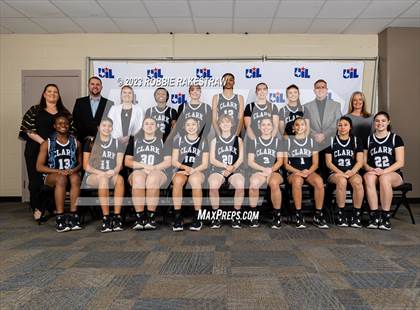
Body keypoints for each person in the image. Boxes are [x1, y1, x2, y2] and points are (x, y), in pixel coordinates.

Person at [19, 84, 74, 222]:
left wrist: (56, 146)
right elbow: (27, 129)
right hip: (35, 149)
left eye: (55, 92)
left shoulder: (65, 112)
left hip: (58, 152)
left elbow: (71, 131)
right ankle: (37, 208)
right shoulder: (35, 110)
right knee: (36, 181)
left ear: (58, 95)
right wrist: (46, 143)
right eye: (49, 91)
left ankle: (52, 206)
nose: (52, 94)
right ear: (44, 94)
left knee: (54, 179)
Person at [36, 114, 82, 232]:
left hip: (70, 174)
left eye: (66, 123)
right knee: (61, 179)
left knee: (76, 178)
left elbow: (81, 164)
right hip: (52, 177)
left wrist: (74, 170)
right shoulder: (48, 143)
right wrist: (58, 171)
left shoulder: (76, 142)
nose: (63, 125)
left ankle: (73, 215)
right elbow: (39, 167)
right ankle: (60, 217)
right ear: (55, 126)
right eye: (60, 123)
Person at [125, 117, 172, 230]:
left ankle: (151, 217)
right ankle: (139, 217)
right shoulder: (135, 140)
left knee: (152, 179)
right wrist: (144, 166)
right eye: (146, 124)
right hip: (139, 170)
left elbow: (168, 161)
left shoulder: (163, 139)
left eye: (152, 124)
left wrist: (154, 168)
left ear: (156, 127)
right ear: (142, 126)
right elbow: (127, 161)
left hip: (158, 171)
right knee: (138, 179)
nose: (149, 126)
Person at [82, 117, 125, 233]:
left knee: (120, 179)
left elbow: (119, 165)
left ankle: (117, 216)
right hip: (94, 175)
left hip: (110, 174)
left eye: (109, 126)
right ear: (98, 128)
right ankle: (106, 218)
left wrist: (114, 171)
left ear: (112, 128)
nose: (106, 128)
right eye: (104, 125)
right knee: (103, 180)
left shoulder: (117, 143)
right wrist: (101, 173)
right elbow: (86, 166)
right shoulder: (90, 142)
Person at [364, 111, 404, 231]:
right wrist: (371, 169)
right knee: (368, 177)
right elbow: (363, 163)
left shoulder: (395, 138)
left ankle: (385, 216)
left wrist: (384, 171)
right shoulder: (368, 139)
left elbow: (400, 162)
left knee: (384, 178)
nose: (380, 123)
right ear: (374, 123)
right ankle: (374, 215)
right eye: (377, 121)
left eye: (383, 121)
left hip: (393, 174)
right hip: (375, 172)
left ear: (388, 122)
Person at [284, 117, 327, 229]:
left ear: (306, 127)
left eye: (302, 124)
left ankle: (318, 214)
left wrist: (307, 172)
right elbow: (285, 165)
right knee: (297, 181)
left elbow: (315, 163)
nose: (300, 127)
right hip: (294, 172)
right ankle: (299, 214)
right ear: (293, 128)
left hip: (309, 171)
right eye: (297, 125)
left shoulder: (312, 141)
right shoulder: (288, 141)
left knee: (319, 181)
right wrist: (298, 172)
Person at [172, 118, 209, 232]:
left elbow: (205, 164)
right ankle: (178, 216)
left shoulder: (203, 141)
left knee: (195, 181)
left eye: (193, 124)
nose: (191, 127)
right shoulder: (178, 141)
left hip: (198, 171)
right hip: (182, 171)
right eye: (188, 124)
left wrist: (193, 170)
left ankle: (198, 216)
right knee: (177, 181)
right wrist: (185, 168)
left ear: (198, 126)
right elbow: (174, 161)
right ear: (184, 127)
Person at [325, 116, 364, 228]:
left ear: (350, 127)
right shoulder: (331, 140)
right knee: (341, 181)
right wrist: (340, 173)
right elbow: (329, 163)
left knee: (357, 182)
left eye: (345, 125)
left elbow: (360, 161)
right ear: (337, 127)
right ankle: (341, 213)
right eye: (340, 125)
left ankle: (356, 214)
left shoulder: (356, 141)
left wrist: (352, 172)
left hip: (352, 171)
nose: (342, 127)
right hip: (335, 173)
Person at [208, 114, 245, 229]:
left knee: (240, 185)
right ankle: (216, 214)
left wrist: (232, 168)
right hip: (218, 170)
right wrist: (225, 167)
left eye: (227, 122)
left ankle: (236, 215)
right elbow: (212, 159)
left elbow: (241, 158)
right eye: (222, 122)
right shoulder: (215, 140)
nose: (225, 124)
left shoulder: (238, 140)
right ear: (219, 125)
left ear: (232, 124)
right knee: (213, 186)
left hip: (235, 170)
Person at [247, 117, 284, 229]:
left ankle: (277, 215)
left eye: (268, 124)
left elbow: (280, 161)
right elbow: (250, 161)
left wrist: (271, 170)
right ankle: (253, 215)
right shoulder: (254, 142)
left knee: (273, 183)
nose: (266, 127)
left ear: (272, 127)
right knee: (253, 184)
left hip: (274, 171)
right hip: (259, 171)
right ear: (259, 127)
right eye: (263, 125)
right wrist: (263, 169)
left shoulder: (278, 141)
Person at [72, 76, 114, 145]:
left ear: (101, 87)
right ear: (88, 86)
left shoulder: (109, 104)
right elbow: (75, 121)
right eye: (92, 84)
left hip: (103, 142)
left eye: (98, 84)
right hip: (82, 142)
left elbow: (111, 123)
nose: (95, 86)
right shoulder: (79, 102)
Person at [304, 79, 342, 150]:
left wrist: (324, 135)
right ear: (314, 91)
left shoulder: (336, 105)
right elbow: (305, 124)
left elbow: (338, 122)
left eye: (323, 87)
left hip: (331, 142)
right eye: (318, 88)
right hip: (312, 143)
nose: (320, 89)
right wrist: (315, 135)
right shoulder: (306, 106)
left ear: (327, 90)